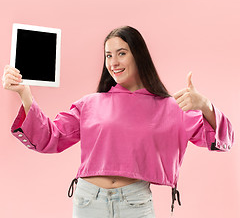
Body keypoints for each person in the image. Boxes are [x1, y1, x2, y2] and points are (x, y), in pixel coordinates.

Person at [2, 26, 234, 218]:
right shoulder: (90, 103)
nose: (113, 62)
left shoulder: (170, 107)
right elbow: (50, 138)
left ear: (138, 55)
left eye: (121, 53)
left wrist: (204, 105)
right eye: (108, 55)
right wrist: (25, 95)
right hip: (87, 201)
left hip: (135, 202)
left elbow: (221, 139)